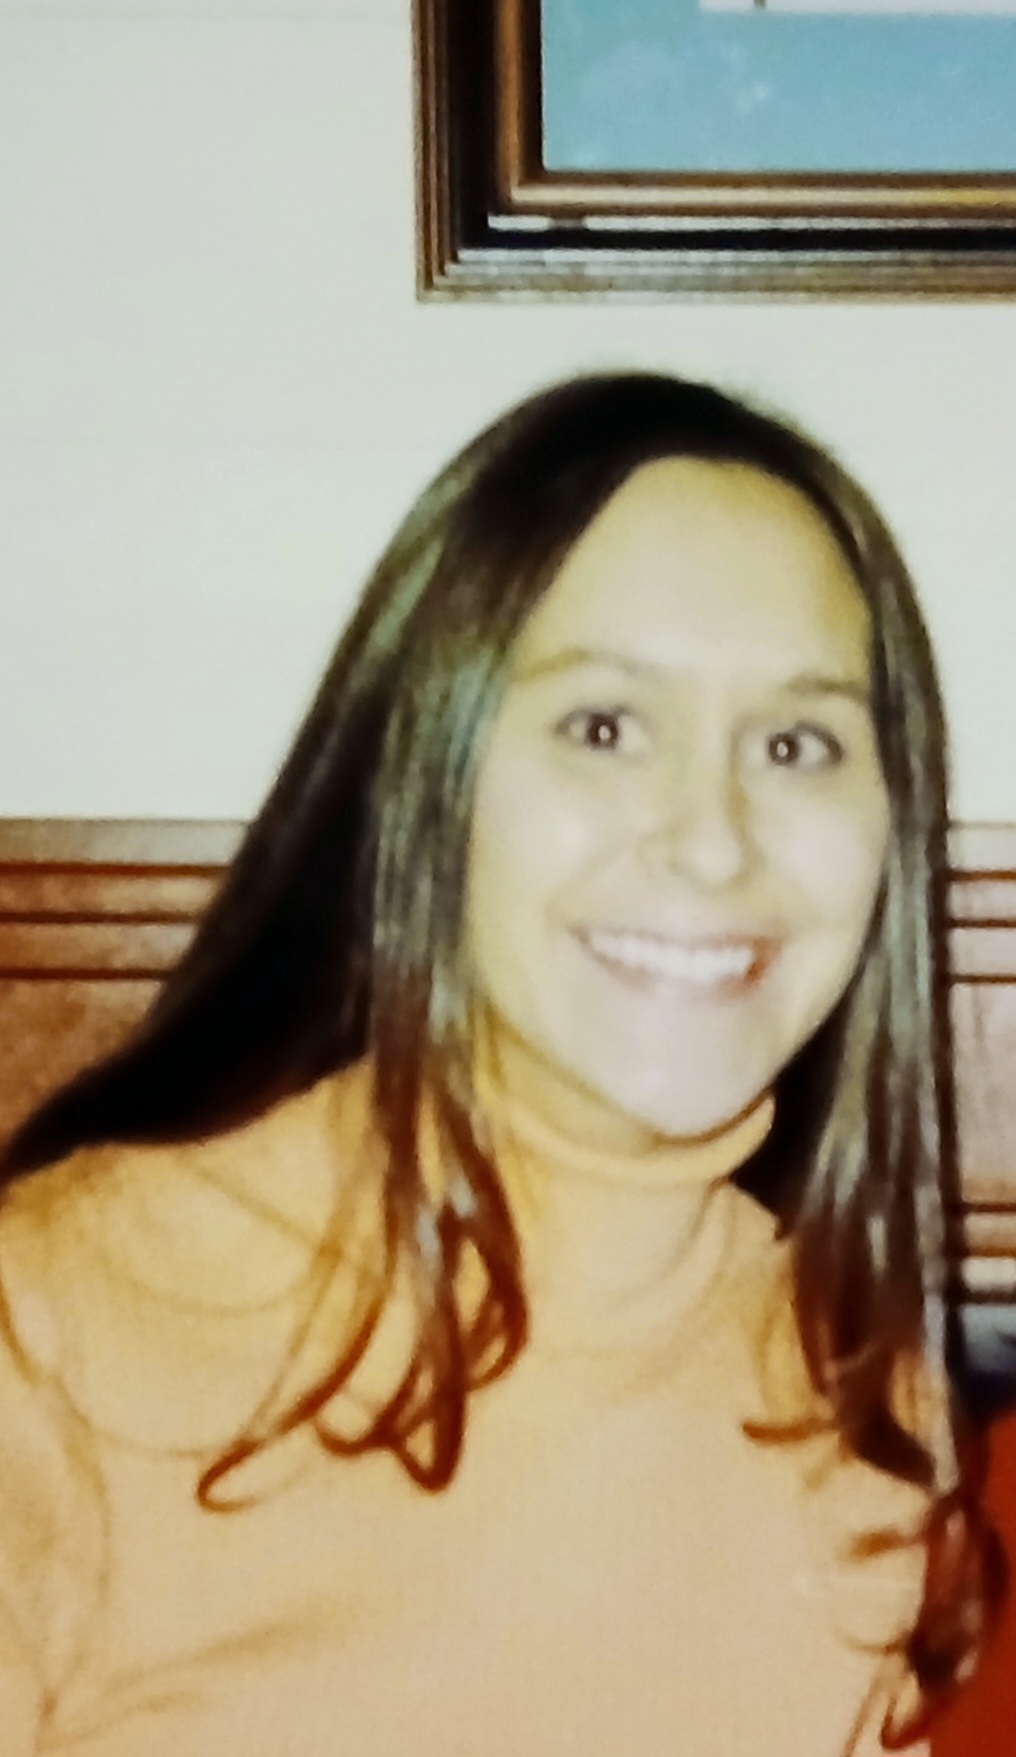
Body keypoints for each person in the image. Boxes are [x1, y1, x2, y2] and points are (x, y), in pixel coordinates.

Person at [0, 372, 1005, 1756]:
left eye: (796, 743)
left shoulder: (862, 1405)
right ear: (433, 775)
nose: (712, 839)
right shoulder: (55, 1320)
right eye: (605, 727)